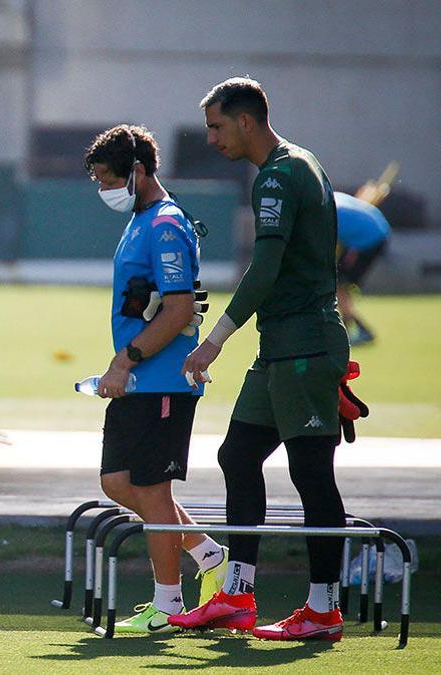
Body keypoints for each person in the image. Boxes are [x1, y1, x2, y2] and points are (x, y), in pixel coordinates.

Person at [172, 77, 351, 641]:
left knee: (311, 473)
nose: (211, 137)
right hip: (282, 347)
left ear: (246, 122)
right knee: (238, 455)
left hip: (306, 348)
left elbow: (266, 270)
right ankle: (238, 596)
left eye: (217, 125)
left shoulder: (278, 174)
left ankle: (323, 609)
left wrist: (216, 337)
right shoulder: (303, 162)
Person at [82, 125, 228, 634]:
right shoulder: (141, 219)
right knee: (118, 482)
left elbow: (180, 306)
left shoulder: (165, 224)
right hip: (140, 379)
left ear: (138, 171)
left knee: (151, 487)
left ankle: (168, 604)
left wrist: (124, 361)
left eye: (106, 178)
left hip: (161, 380)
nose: (102, 190)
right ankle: (210, 557)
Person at [334, 192, 391, 346]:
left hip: (369, 240)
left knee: (339, 285)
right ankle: (352, 330)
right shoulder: (333, 197)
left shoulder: (326, 214)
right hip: (377, 231)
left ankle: (357, 330)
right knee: (340, 285)